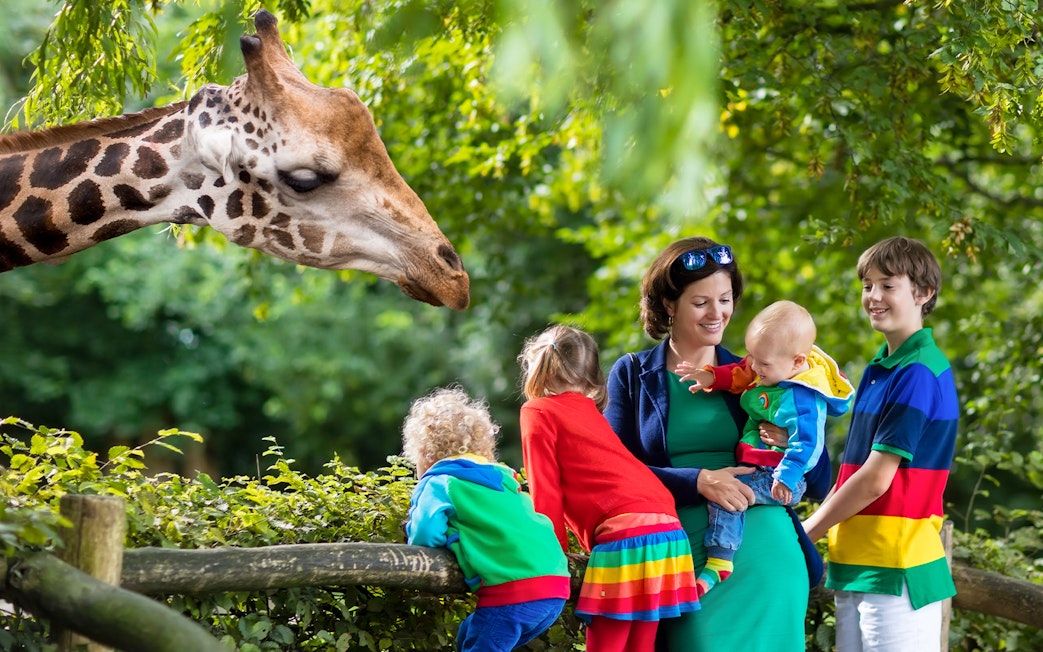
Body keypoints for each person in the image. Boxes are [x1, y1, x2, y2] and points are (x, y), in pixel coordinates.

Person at [603, 236, 832, 651]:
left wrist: (791, 437)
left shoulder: (763, 370)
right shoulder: (633, 374)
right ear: (669, 304)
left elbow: (817, 482)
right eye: (701, 302)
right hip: (683, 557)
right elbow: (613, 472)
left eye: (725, 299)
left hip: (768, 553)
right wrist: (698, 481)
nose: (717, 313)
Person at [803, 237, 959, 652]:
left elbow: (875, 480)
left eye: (888, 285)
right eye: (867, 285)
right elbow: (854, 473)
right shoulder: (882, 368)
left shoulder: (919, 372)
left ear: (923, 293)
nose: (873, 296)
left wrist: (807, 532)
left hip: (897, 571)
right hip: (858, 564)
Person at [517, 324, 700, 652]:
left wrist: (554, 555)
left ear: (536, 369)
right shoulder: (591, 412)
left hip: (626, 532)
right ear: (591, 373)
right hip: (668, 529)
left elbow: (546, 490)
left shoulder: (537, 411)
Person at [675, 300, 853, 597]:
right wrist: (711, 376)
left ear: (797, 362)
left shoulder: (804, 398)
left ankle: (720, 558)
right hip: (762, 467)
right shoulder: (770, 365)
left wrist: (786, 475)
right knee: (730, 493)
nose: (755, 366)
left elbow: (808, 445)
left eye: (763, 363)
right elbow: (740, 373)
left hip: (781, 477)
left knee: (729, 495)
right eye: (753, 357)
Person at [401, 386, 571, 652]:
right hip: (555, 586)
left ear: (423, 454)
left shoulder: (440, 481)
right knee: (470, 633)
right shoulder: (504, 479)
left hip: (513, 594)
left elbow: (425, 533)